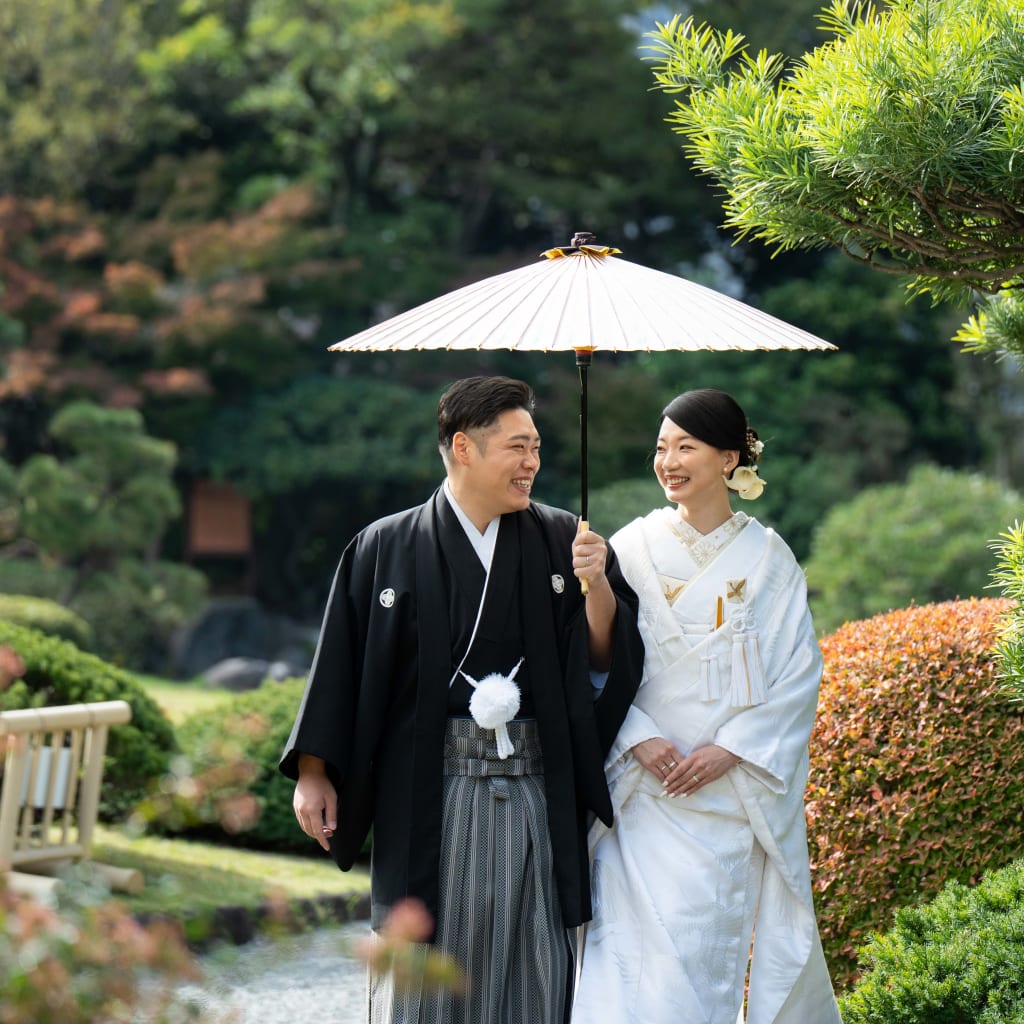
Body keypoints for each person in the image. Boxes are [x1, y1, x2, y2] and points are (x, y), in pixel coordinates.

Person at [280, 375, 643, 1024]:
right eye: (516, 446)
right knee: (425, 967)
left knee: (533, 962)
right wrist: (313, 771)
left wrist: (599, 590)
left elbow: (603, 661)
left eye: (536, 446)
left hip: (534, 784)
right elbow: (340, 662)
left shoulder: (566, 540)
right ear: (463, 448)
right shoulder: (383, 546)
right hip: (428, 789)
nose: (532, 462)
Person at [572, 389, 841, 1024]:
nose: (668, 461)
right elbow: (594, 659)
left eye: (685, 447)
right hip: (640, 794)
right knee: (623, 965)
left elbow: (797, 674)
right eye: (661, 448)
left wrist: (730, 750)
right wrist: (636, 735)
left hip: (724, 800)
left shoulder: (770, 558)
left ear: (728, 458)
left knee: (698, 965)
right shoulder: (629, 547)